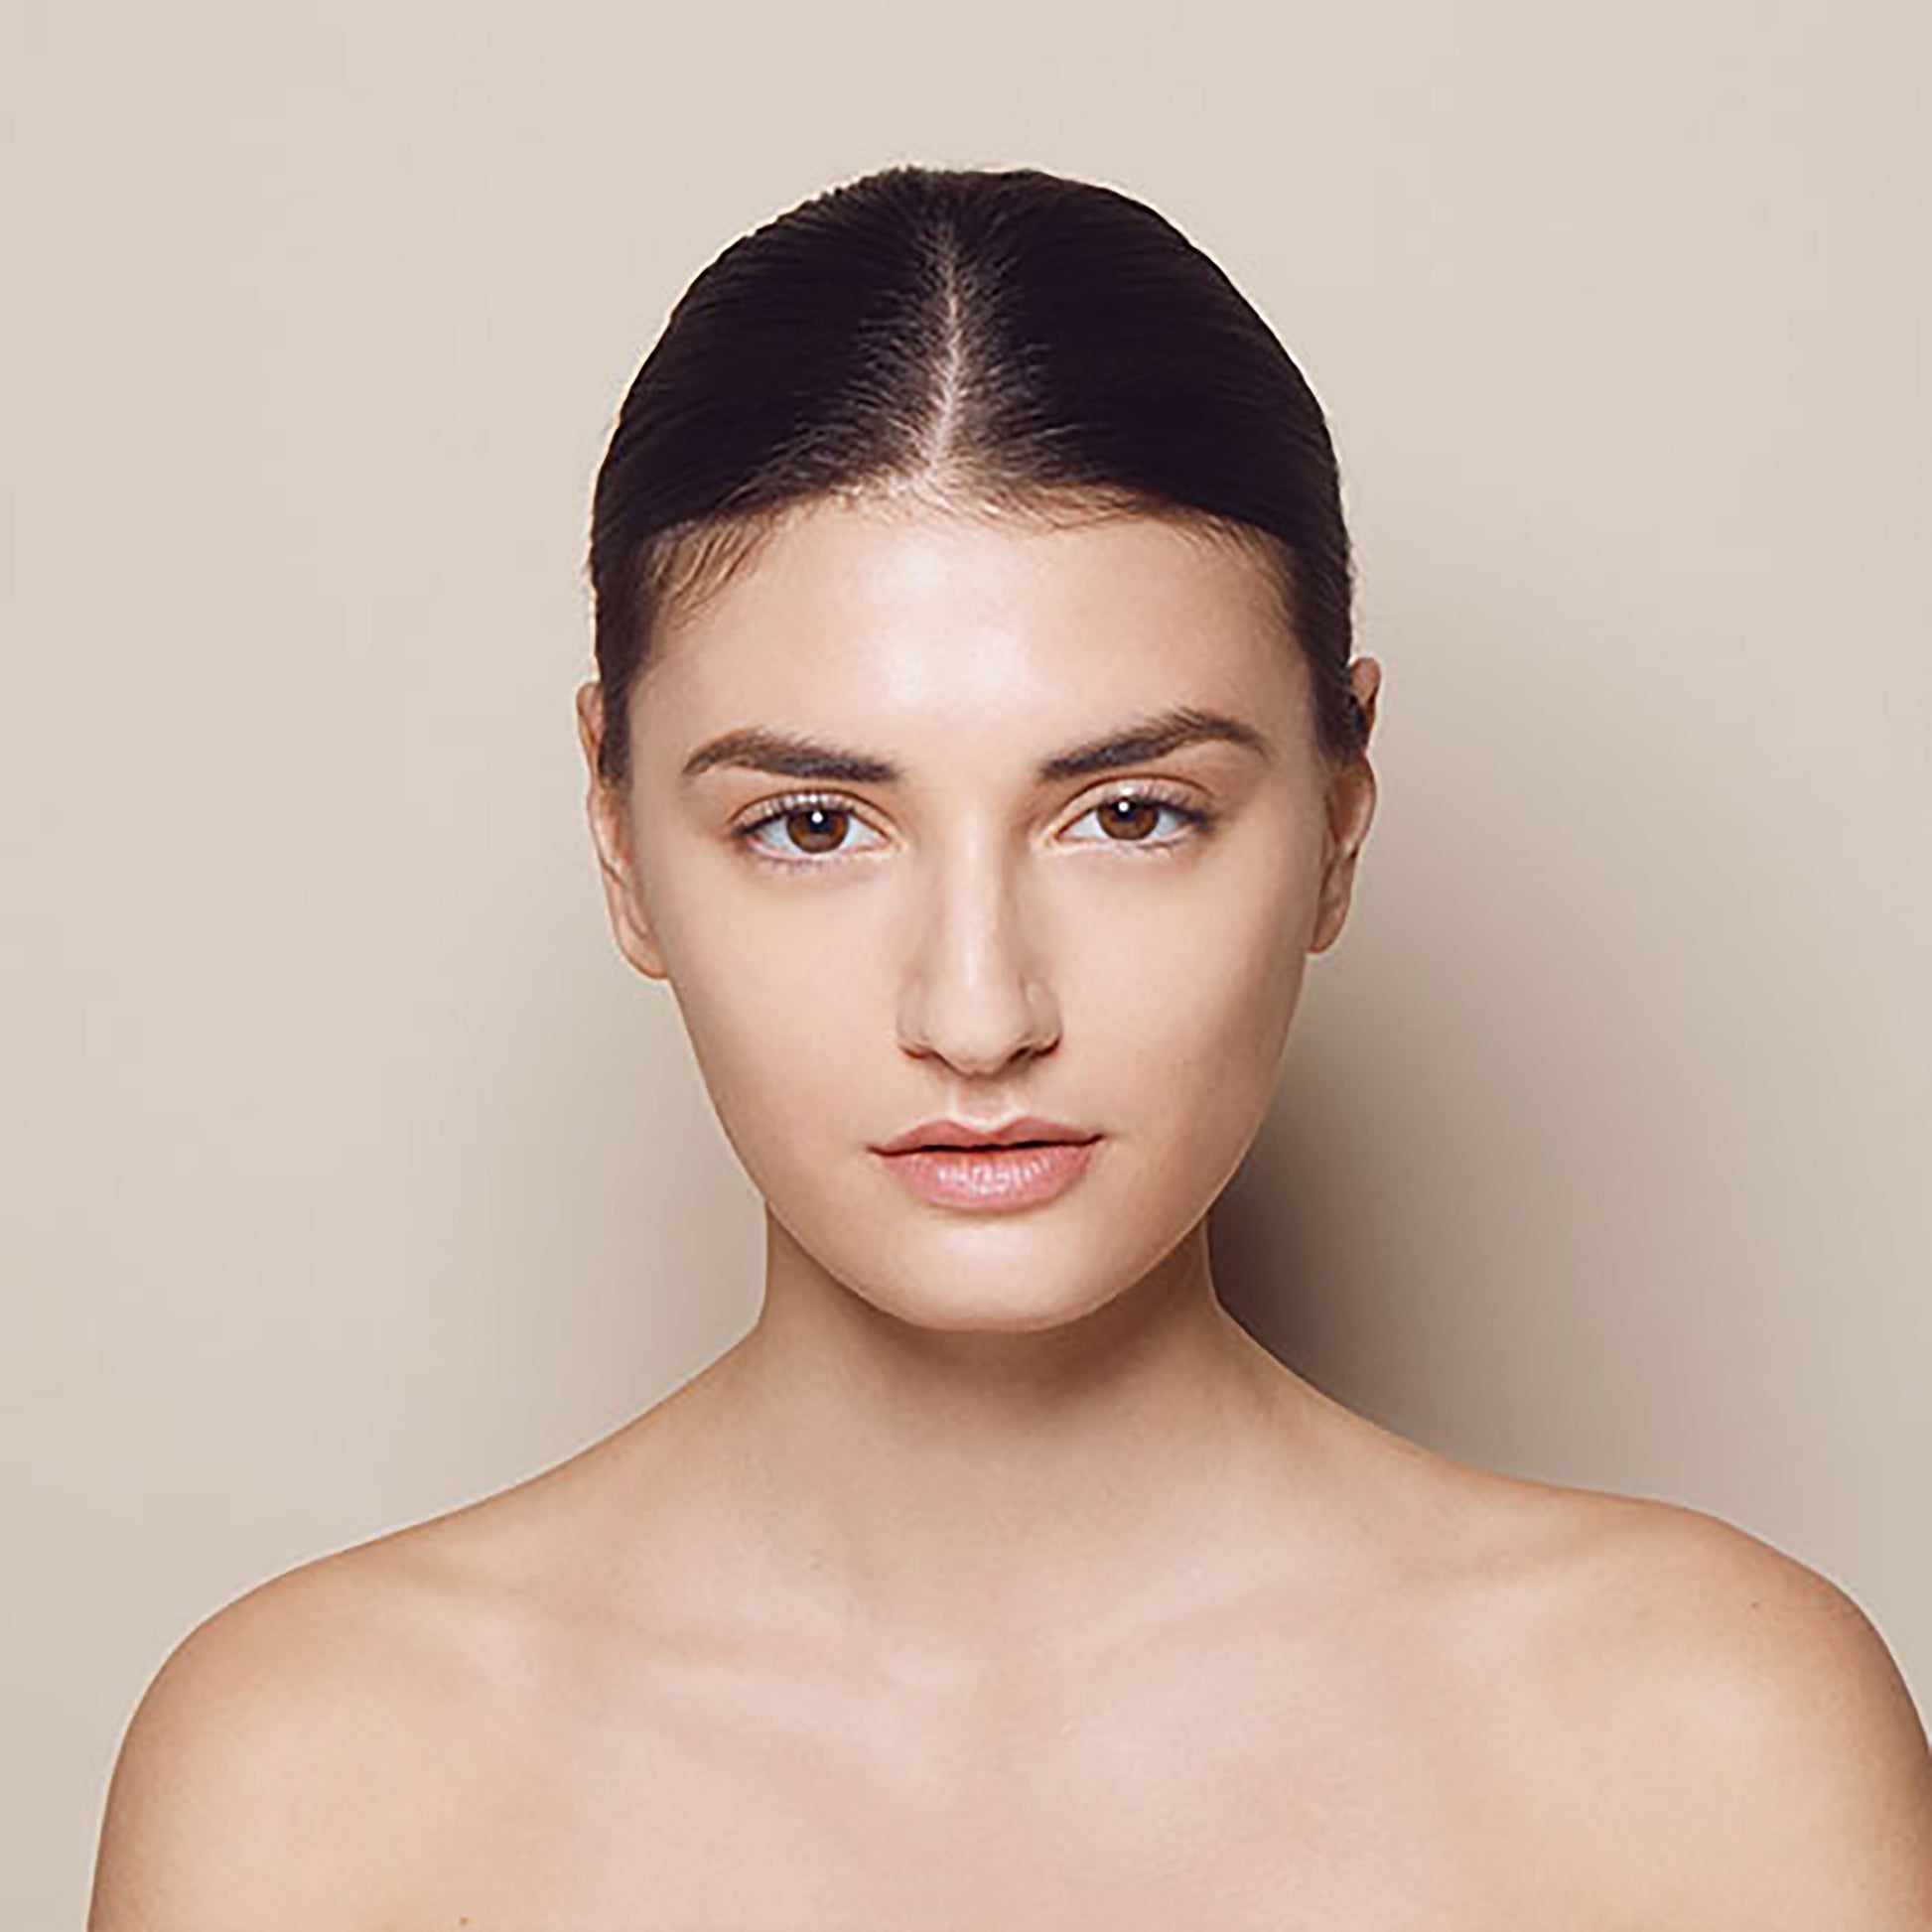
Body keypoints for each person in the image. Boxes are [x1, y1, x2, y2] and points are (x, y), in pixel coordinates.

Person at [89, 163, 1932, 1928]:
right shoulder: (309, 1774)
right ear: (618, 844)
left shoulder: (1706, 1740)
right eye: (811, 823)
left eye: (1131, 812)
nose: (978, 1014)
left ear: (1339, 814)